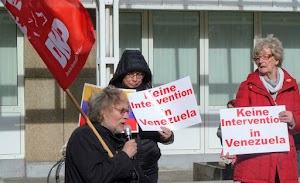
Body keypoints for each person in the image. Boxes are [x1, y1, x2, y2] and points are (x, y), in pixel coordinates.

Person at [234, 34, 300, 183]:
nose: (260, 61)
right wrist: (231, 145)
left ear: (276, 59)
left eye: (265, 56)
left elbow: (299, 117)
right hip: (255, 163)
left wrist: (293, 120)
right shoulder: (247, 86)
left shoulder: (292, 86)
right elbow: (237, 121)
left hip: (284, 162)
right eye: (257, 58)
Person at [109, 49, 174, 183]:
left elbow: (163, 127)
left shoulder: (153, 97)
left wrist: (167, 136)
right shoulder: (109, 97)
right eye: (130, 74)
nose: (135, 79)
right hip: (121, 162)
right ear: (122, 74)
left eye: (139, 74)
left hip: (149, 165)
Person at [65, 86, 148, 183]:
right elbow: (95, 177)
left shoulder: (114, 137)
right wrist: (124, 155)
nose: (126, 117)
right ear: (103, 111)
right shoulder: (84, 136)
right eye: (122, 111)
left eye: (127, 111)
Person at [216, 99, 235, 180]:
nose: (229, 110)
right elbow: (218, 131)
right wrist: (225, 135)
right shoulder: (224, 118)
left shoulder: (241, 119)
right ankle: (228, 179)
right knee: (228, 165)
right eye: (228, 108)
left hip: (237, 146)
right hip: (228, 145)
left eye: (231, 108)